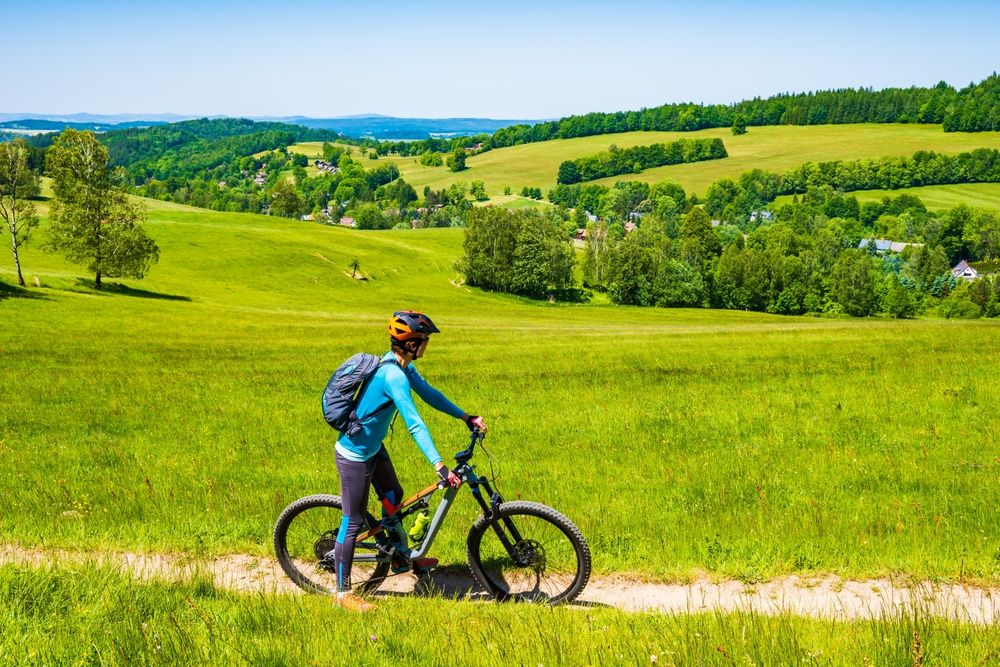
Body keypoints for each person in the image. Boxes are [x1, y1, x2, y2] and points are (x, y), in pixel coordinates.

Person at [332, 310, 487, 612]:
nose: (427, 344)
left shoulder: (404, 369)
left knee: (394, 497)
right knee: (352, 522)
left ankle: (401, 555)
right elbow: (414, 422)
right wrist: (439, 465)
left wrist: (465, 416)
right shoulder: (392, 375)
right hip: (354, 455)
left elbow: (430, 394)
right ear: (411, 343)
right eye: (424, 340)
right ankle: (342, 593)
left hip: (373, 448)